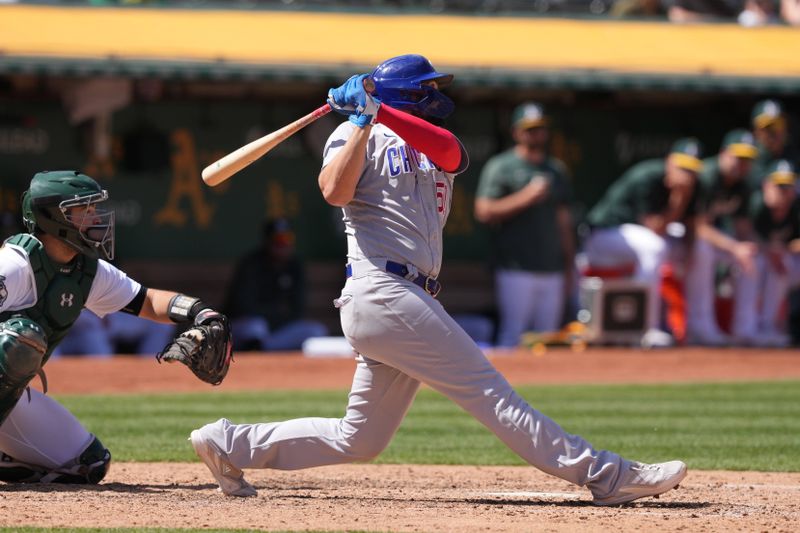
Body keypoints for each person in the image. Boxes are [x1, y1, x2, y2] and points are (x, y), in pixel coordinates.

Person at [189, 54, 687, 505]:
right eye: (425, 88)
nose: (436, 95)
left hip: (402, 298)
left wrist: (378, 110)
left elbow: (454, 154)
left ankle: (227, 443)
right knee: (491, 393)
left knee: (360, 438)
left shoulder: (429, 143)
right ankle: (606, 475)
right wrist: (363, 119)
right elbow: (334, 192)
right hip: (382, 289)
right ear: (405, 95)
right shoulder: (352, 134)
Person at [0, 170, 230, 484]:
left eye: (94, 208)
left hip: (9, 399)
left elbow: (147, 302)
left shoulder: (85, 270)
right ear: (52, 217)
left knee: (88, 464)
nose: (95, 217)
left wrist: (200, 312)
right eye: (83, 210)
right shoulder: (14, 264)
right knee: (18, 340)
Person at [583, 138, 704, 347]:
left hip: (637, 241)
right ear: (669, 162)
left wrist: (689, 255)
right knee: (655, 246)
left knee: (702, 250)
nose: (686, 174)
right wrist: (679, 197)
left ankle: (698, 326)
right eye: (682, 167)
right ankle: (647, 327)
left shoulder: (692, 185)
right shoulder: (647, 176)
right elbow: (655, 227)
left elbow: (691, 226)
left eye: (691, 170)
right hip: (603, 238)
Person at [474, 102, 575, 347]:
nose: (535, 134)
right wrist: (526, 196)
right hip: (515, 266)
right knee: (513, 336)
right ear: (517, 132)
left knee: (548, 338)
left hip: (551, 267)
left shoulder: (556, 169)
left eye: (539, 128)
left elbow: (564, 220)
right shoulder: (502, 166)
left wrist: (569, 261)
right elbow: (484, 210)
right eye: (529, 129)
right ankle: (507, 387)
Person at [683, 129, 759, 345]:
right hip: (682, 236)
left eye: (747, 159)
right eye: (738, 157)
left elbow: (743, 228)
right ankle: (701, 325)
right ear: (724, 153)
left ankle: (746, 329)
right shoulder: (707, 175)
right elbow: (699, 227)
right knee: (703, 249)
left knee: (751, 256)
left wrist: (745, 248)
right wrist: (735, 247)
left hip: (714, 239)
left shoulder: (742, 185)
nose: (742, 164)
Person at [223, 217, 328, 351]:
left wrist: (277, 315)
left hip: (277, 331)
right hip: (248, 326)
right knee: (256, 328)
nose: (283, 244)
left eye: (287, 239)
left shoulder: (295, 267)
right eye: (278, 240)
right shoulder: (252, 264)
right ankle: (254, 354)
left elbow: (297, 309)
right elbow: (244, 307)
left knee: (316, 330)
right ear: (267, 241)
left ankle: (264, 350)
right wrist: (277, 312)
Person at [739, 160, 800, 346]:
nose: (783, 191)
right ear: (766, 185)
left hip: (779, 260)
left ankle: (769, 327)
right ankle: (745, 327)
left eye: (787, 186)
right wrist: (770, 250)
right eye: (779, 185)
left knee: (784, 263)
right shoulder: (755, 204)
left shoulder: (796, 209)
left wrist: (782, 249)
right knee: (755, 260)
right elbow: (743, 234)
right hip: (740, 258)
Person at [749, 99, 798, 189]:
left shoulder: (795, 158)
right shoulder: (747, 161)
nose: (774, 133)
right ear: (756, 132)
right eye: (768, 127)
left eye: (778, 125)